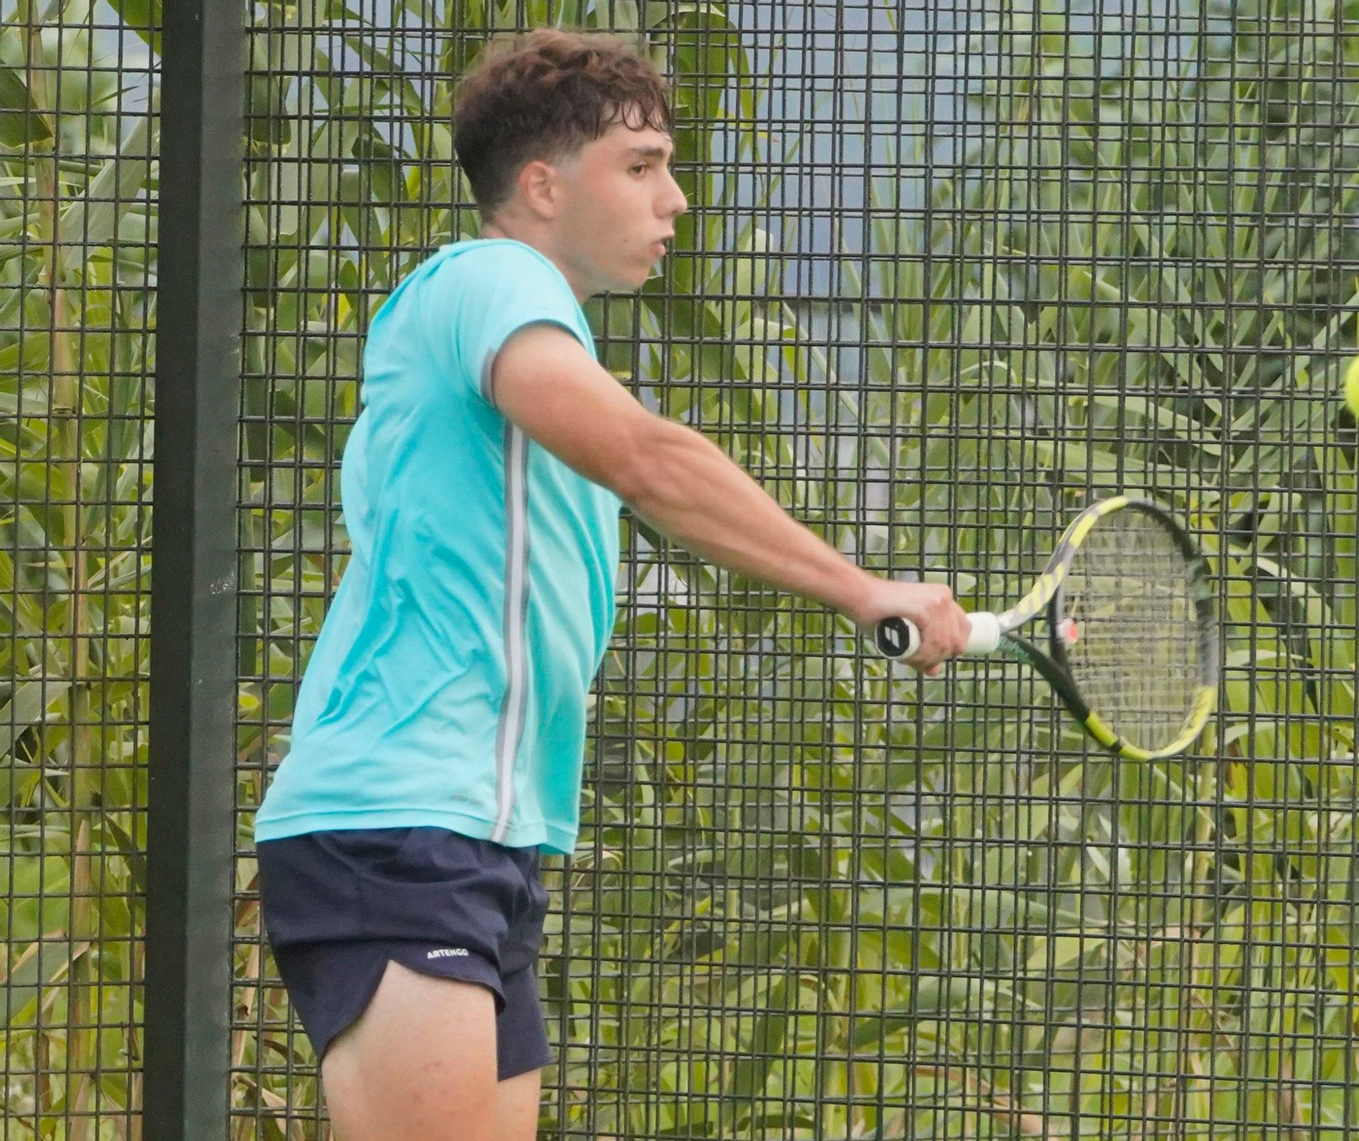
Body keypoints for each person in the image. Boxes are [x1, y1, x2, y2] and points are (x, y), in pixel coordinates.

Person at [252, 25, 970, 1141]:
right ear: (541, 185)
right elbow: (647, 460)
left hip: (482, 838)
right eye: (642, 166)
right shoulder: (486, 280)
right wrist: (861, 587)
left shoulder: (539, 344)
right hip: (394, 827)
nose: (675, 199)